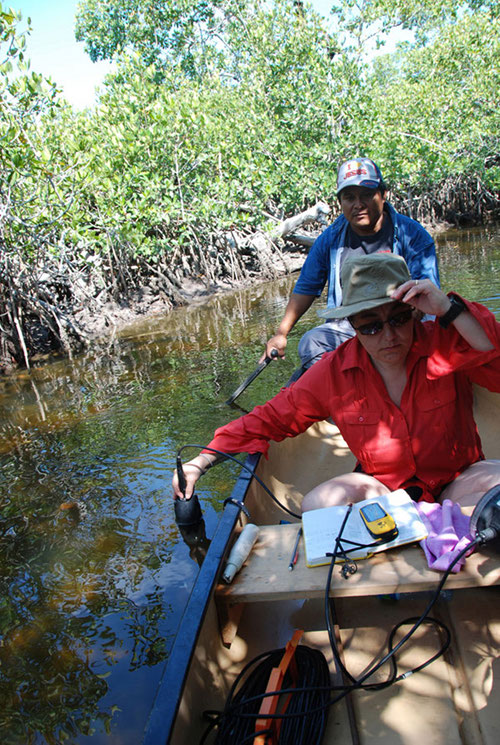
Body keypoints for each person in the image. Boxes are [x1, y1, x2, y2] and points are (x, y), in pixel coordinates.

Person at [173, 253, 500, 513]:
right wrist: (201, 461)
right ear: (352, 325)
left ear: (415, 312)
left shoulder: (446, 342)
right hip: (386, 492)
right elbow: (267, 420)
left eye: (399, 319)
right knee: (319, 504)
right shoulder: (333, 373)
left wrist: (447, 307)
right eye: (371, 326)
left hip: (459, 480)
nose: (388, 336)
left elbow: (493, 352)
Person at [262, 157, 440, 375]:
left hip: (401, 322)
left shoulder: (412, 234)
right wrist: (281, 334)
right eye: (349, 197)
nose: (358, 204)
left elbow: (428, 291)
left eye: (366, 194)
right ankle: (349, 388)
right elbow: (306, 288)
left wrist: (399, 326)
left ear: (383, 195)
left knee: (433, 334)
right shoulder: (330, 239)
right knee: (311, 343)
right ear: (340, 203)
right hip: (356, 327)